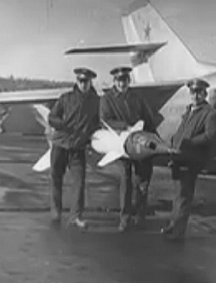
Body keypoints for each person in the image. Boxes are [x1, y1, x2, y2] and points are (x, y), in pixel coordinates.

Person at [161, 78, 216, 241]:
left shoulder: (210, 113)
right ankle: (173, 225)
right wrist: (174, 142)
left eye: (199, 93)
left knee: (184, 196)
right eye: (193, 93)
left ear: (204, 94)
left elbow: (211, 135)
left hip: (191, 158)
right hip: (179, 157)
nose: (195, 96)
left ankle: (178, 232)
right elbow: (182, 131)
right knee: (178, 194)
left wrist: (190, 143)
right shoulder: (189, 111)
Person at [100, 66, 157, 232]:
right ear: (114, 81)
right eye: (119, 80)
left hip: (139, 144)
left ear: (128, 81)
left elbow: (148, 119)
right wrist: (126, 126)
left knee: (142, 180)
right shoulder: (107, 99)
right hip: (121, 144)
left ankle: (140, 216)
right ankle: (125, 218)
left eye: (125, 80)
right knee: (126, 180)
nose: (122, 83)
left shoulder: (137, 98)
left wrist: (154, 141)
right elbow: (105, 120)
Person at [48, 67, 100, 230]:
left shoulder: (95, 101)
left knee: (79, 182)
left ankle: (75, 216)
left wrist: (93, 139)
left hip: (78, 148)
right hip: (60, 144)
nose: (84, 84)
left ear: (91, 82)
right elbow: (52, 117)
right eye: (81, 81)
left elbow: (97, 122)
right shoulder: (66, 98)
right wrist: (63, 125)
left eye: (86, 81)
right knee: (56, 178)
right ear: (77, 82)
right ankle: (56, 212)